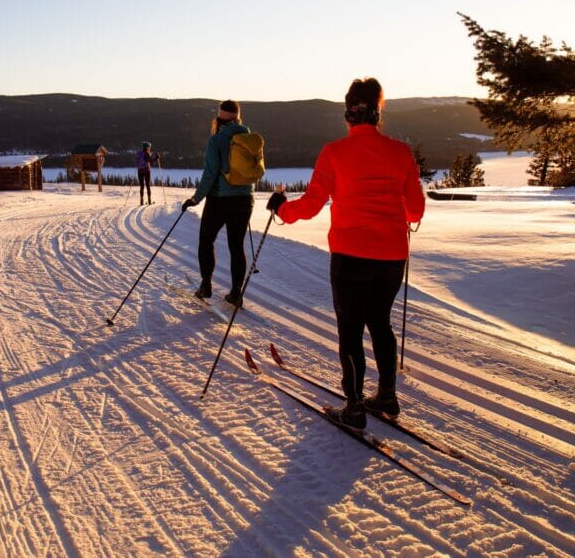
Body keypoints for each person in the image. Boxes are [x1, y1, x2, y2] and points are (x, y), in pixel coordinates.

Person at [266, 78, 425, 430]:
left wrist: (281, 209)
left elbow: (309, 206)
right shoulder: (400, 153)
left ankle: (354, 406)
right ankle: (386, 395)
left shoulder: (334, 152)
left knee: (350, 330)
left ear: (349, 115)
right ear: (378, 114)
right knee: (380, 323)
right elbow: (415, 210)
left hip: (351, 255)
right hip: (391, 257)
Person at [182, 100, 255, 307]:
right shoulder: (250, 139)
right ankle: (236, 293)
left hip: (219, 200)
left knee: (206, 241)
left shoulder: (216, 141)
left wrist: (196, 198)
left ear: (220, 118)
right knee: (236, 245)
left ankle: (206, 286)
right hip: (245, 199)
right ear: (238, 118)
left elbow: (210, 174)